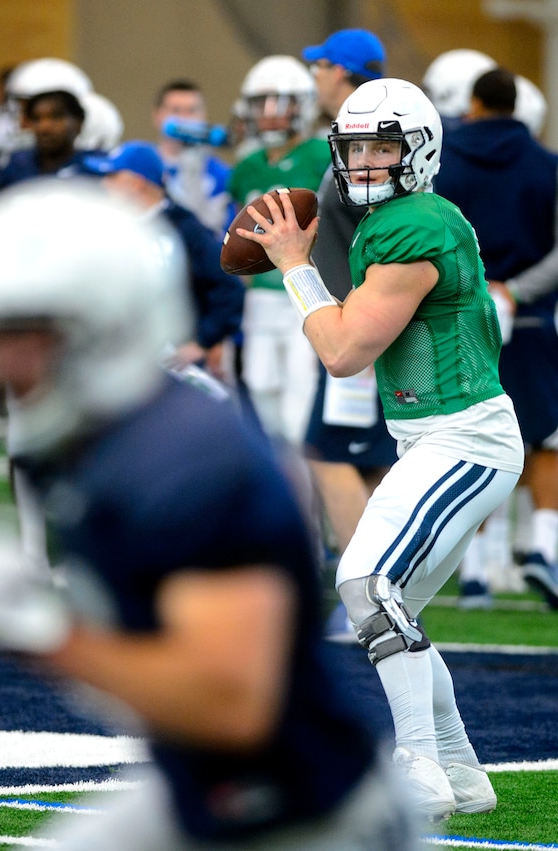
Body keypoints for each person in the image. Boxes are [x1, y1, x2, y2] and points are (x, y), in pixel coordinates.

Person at [0, 177, 423, 850]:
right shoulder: (103, 440)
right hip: (213, 792)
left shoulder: (186, 463)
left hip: (310, 815)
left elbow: (231, 702)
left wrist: (49, 634)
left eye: (25, 331)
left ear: (109, 320)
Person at [237, 77, 523, 819]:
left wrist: (294, 266)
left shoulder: (415, 223)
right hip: (441, 438)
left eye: (383, 146)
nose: (365, 161)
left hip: (464, 438)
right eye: (355, 146)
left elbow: (343, 351)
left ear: (418, 151)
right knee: (390, 609)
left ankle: (418, 764)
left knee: (365, 584)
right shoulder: (399, 217)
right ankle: (461, 768)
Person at [434, 67, 558, 609]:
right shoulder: (547, 165)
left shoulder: (445, 158)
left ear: (475, 103)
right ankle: (544, 549)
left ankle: (476, 572)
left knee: (474, 438)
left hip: (461, 313)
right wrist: (517, 289)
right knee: (546, 438)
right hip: (531, 315)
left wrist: (477, 285)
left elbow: (431, 231)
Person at [301, 31, 397, 624]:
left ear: (343, 72)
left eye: (321, 67)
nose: (314, 78)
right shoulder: (366, 134)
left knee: (328, 453)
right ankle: (382, 589)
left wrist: (295, 262)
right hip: (366, 317)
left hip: (359, 320)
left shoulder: (365, 140)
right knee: (368, 459)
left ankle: (367, 596)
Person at [228, 55, 329, 445]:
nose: (270, 116)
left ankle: (306, 502)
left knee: (298, 412)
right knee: (262, 400)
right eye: (261, 106)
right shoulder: (247, 166)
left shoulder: (322, 156)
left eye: (281, 105)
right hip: (261, 298)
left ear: (302, 106)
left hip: (306, 291)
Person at [84, 140, 244, 381]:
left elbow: (228, 287)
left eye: (111, 176)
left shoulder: (183, 228)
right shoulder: (112, 229)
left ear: (135, 183)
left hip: (173, 365)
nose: (103, 185)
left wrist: (203, 340)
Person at [0, 86, 102, 200]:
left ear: (78, 122)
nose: (45, 127)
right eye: (36, 119)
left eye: (56, 117)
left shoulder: (99, 166)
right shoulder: (10, 165)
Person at [152, 78, 235, 239]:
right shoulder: (141, 165)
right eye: (175, 110)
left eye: (192, 110)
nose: (184, 118)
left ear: (203, 116)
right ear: (157, 116)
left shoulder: (223, 176)